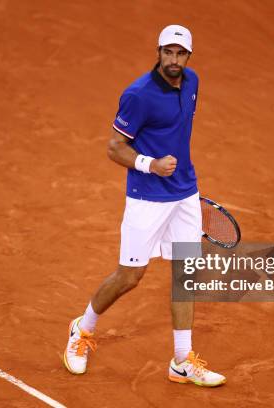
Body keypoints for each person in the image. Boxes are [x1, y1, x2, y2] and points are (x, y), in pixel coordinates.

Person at [63, 25, 226, 387]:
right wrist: (150, 165)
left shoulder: (193, 82)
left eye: (180, 54)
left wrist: (179, 177)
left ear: (188, 57)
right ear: (158, 52)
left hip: (184, 194)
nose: (173, 59)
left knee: (185, 275)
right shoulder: (138, 95)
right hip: (147, 199)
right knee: (129, 277)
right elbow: (114, 147)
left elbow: (180, 132)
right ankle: (82, 329)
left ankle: (182, 361)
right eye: (167, 52)